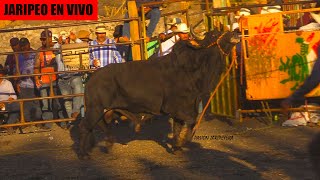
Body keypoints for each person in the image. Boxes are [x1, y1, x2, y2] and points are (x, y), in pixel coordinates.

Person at [34, 30, 63, 129]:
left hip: (55, 79)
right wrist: (36, 78)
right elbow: (36, 66)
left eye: (45, 39)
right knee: (45, 103)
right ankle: (48, 123)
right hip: (44, 80)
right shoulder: (39, 51)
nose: (43, 41)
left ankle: (62, 122)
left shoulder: (55, 49)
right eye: (42, 39)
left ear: (50, 38)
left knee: (58, 102)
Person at [54, 31, 85, 120]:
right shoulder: (57, 49)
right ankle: (72, 121)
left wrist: (75, 39)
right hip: (62, 77)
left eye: (67, 38)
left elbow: (83, 46)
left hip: (74, 74)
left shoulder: (73, 47)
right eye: (63, 38)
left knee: (78, 93)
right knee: (67, 101)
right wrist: (59, 43)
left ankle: (76, 113)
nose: (65, 40)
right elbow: (55, 49)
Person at [17, 38, 42, 122]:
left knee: (36, 103)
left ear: (29, 44)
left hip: (34, 83)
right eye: (21, 46)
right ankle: (27, 121)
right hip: (24, 84)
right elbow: (18, 70)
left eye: (25, 45)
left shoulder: (35, 54)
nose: (23, 47)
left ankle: (38, 120)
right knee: (26, 104)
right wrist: (18, 81)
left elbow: (39, 67)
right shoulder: (20, 56)